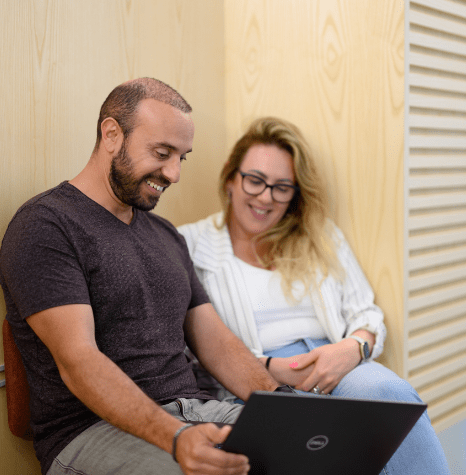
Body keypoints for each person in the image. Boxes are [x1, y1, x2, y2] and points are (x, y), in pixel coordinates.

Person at [0, 78, 283, 475]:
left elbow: (215, 342)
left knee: (320, 452)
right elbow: (79, 362)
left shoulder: (166, 235)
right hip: (89, 433)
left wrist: (284, 401)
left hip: (194, 412)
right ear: (112, 134)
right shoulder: (46, 226)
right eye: (162, 153)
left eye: (182, 157)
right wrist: (177, 437)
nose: (173, 173)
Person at [178, 116, 451, 474]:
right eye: (255, 181)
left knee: (388, 392)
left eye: (282, 187)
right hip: (260, 378)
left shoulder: (320, 237)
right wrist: (272, 370)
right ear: (231, 177)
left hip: (337, 363)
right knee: (321, 448)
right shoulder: (189, 244)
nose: (265, 197)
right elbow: (187, 350)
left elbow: (365, 314)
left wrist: (352, 349)